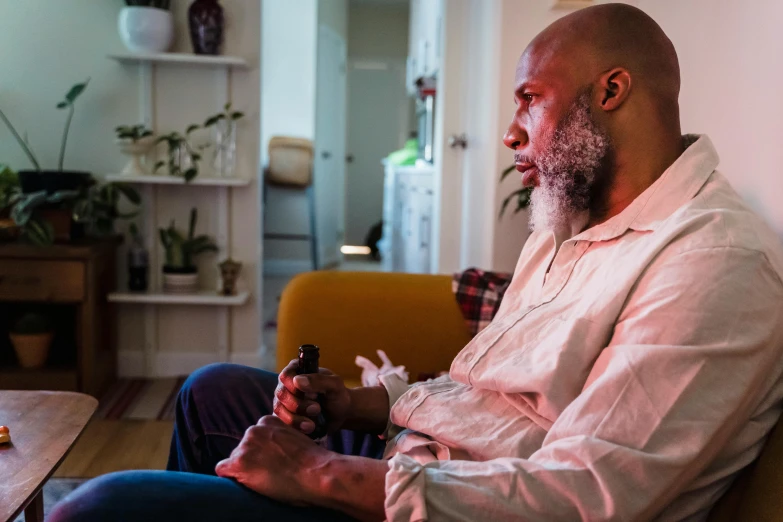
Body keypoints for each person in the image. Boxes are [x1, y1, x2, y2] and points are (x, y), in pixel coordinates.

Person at [50, 3, 783, 521]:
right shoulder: (570, 223)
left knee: (99, 506)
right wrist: (359, 406)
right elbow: (489, 394)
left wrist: (319, 472)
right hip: (429, 458)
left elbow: (587, 497)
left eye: (530, 98)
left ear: (612, 90)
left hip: (464, 503)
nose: (509, 131)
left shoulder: (711, 262)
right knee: (210, 391)